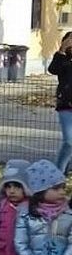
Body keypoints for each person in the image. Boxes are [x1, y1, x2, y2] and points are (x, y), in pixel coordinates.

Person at [48, 31, 72, 173]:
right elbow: (53, 69)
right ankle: (58, 175)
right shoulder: (63, 59)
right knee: (69, 142)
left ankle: (65, 168)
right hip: (66, 107)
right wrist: (62, 51)